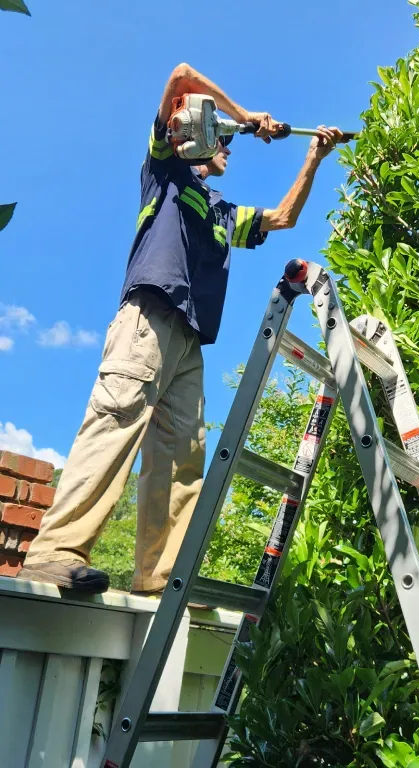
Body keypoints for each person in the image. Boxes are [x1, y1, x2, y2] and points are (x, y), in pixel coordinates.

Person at [19, 63, 342, 594]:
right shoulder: (163, 168)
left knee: (181, 459)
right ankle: (56, 552)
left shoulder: (221, 211)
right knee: (115, 424)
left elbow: (284, 218)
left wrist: (313, 156)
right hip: (148, 318)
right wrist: (246, 116)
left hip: (190, 338)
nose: (229, 150)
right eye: (223, 141)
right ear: (196, 132)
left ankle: (160, 579)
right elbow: (181, 74)